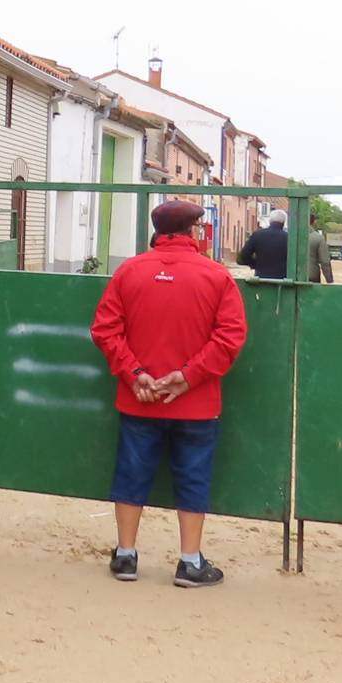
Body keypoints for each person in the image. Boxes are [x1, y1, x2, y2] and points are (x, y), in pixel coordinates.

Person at [90, 198, 249, 587]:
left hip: (139, 397)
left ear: (157, 231)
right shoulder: (216, 276)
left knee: (131, 474)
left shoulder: (128, 272)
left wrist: (135, 373)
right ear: (194, 231)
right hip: (195, 402)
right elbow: (230, 337)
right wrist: (186, 376)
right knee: (193, 478)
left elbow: (104, 330)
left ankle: (126, 556)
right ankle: (190, 562)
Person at [236, 209, 290, 280]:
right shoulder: (289, 238)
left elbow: (244, 255)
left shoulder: (257, 235)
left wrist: (254, 264)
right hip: (282, 281)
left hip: (261, 279)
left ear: (270, 221)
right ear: (284, 222)